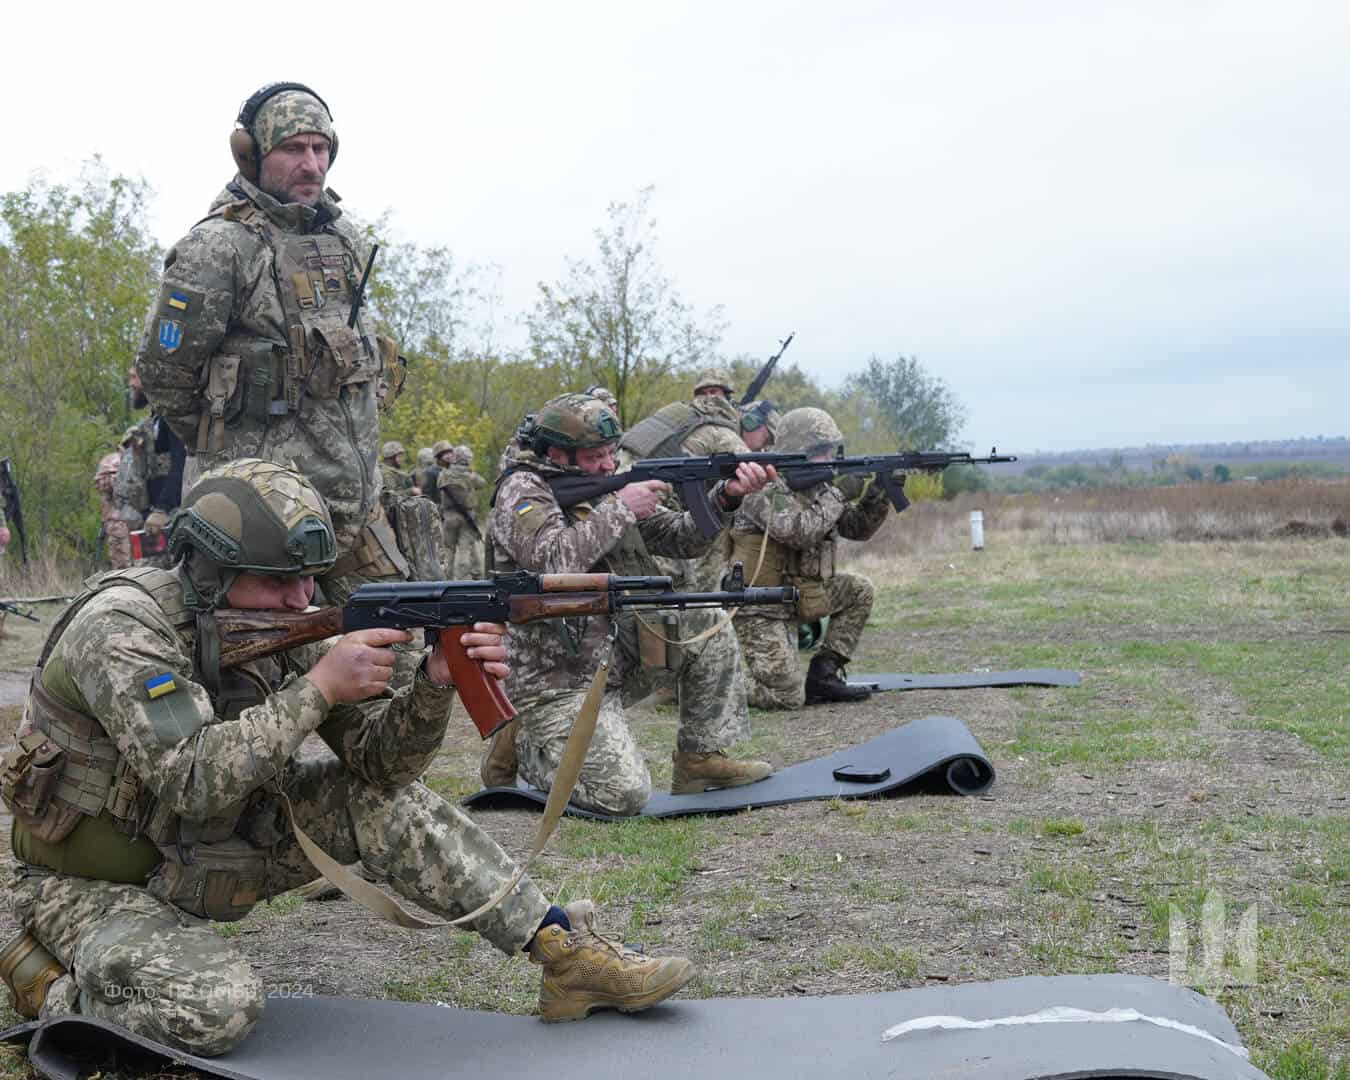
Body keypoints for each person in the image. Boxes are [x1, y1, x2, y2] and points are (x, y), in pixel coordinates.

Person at [0, 459, 696, 1055]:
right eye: (280, 583)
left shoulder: (280, 619)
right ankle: (49, 987)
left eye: (311, 581)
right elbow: (192, 780)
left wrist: (431, 687)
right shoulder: (122, 629)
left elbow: (380, 769)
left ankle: (561, 951)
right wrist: (317, 688)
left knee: (381, 805)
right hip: (88, 882)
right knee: (217, 1006)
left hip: (199, 852)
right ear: (211, 570)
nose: (302, 600)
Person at [134, 82, 407, 606]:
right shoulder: (219, 247)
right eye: (292, 149)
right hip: (260, 517)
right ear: (252, 156)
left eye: (320, 148)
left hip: (354, 504)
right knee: (255, 673)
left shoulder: (342, 237)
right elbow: (163, 373)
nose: (311, 164)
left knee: (397, 650)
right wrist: (232, 448)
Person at [485, 393, 775, 814]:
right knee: (623, 796)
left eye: (610, 453)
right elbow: (551, 559)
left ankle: (699, 759)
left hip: (611, 652)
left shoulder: (604, 485)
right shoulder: (521, 490)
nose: (607, 464)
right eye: (594, 456)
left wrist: (726, 496)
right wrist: (621, 508)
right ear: (556, 453)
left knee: (707, 622)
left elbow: (681, 537)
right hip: (554, 677)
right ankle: (525, 743)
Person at [729, 407, 894, 707]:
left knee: (859, 590)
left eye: (832, 451)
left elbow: (855, 528)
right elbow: (799, 531)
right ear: (797, 451)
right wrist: (840, 494)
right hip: (760, 605)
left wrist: (879, 491)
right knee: (787, 697)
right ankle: (712, 684)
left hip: (801, 594)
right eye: (822, 451)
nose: (830, 459)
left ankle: (824, 676)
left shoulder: (821, 487)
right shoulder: (761, 487)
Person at [435, 441, 486, 579]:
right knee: (465, 549)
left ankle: (446, 577)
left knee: (448, 549)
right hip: (466, 517)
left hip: (449, 516)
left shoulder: (444, 474)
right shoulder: (470, 476)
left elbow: (439, 486)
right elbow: (482, 483)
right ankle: (462, 580)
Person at [94, 451, 131, 570]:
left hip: (130, 524)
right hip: (115, 524)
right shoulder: (116, 459)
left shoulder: (132, 458)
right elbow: (101, 484)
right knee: (121, 566)